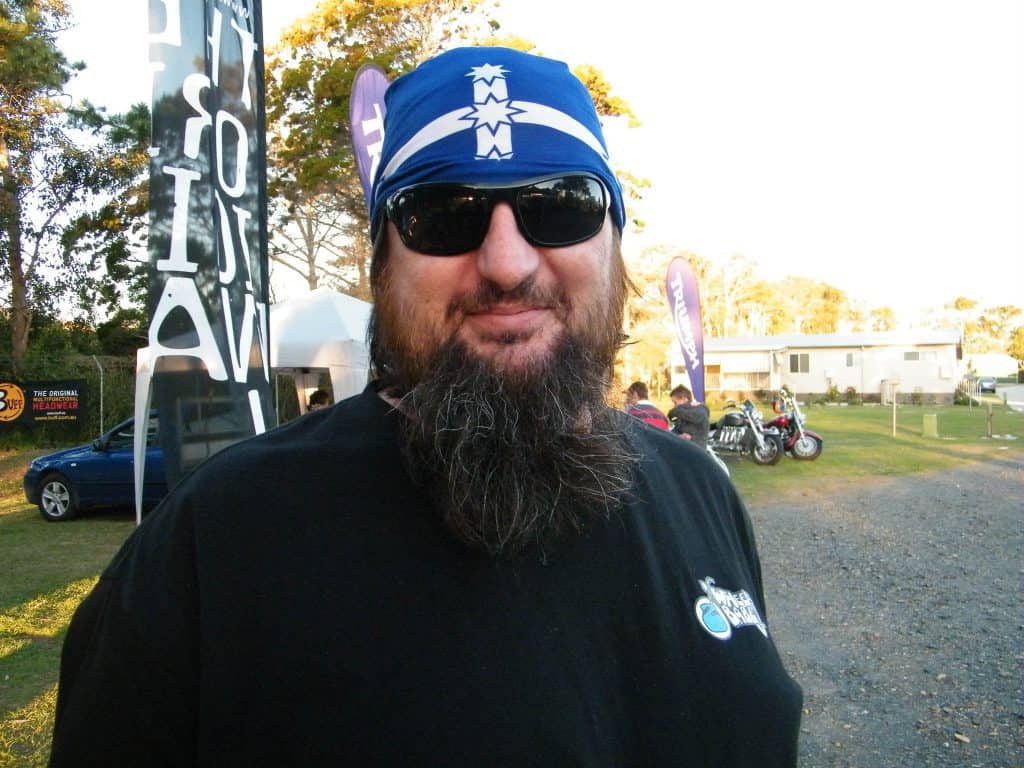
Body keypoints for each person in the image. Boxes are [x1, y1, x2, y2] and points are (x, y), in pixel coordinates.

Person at [50, 46, 801, 766]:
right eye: (443, 214)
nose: (507, 263)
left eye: (561, 205)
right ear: (382, 266)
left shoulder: (701, 491)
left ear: (613, 245)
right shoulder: (213, 543)